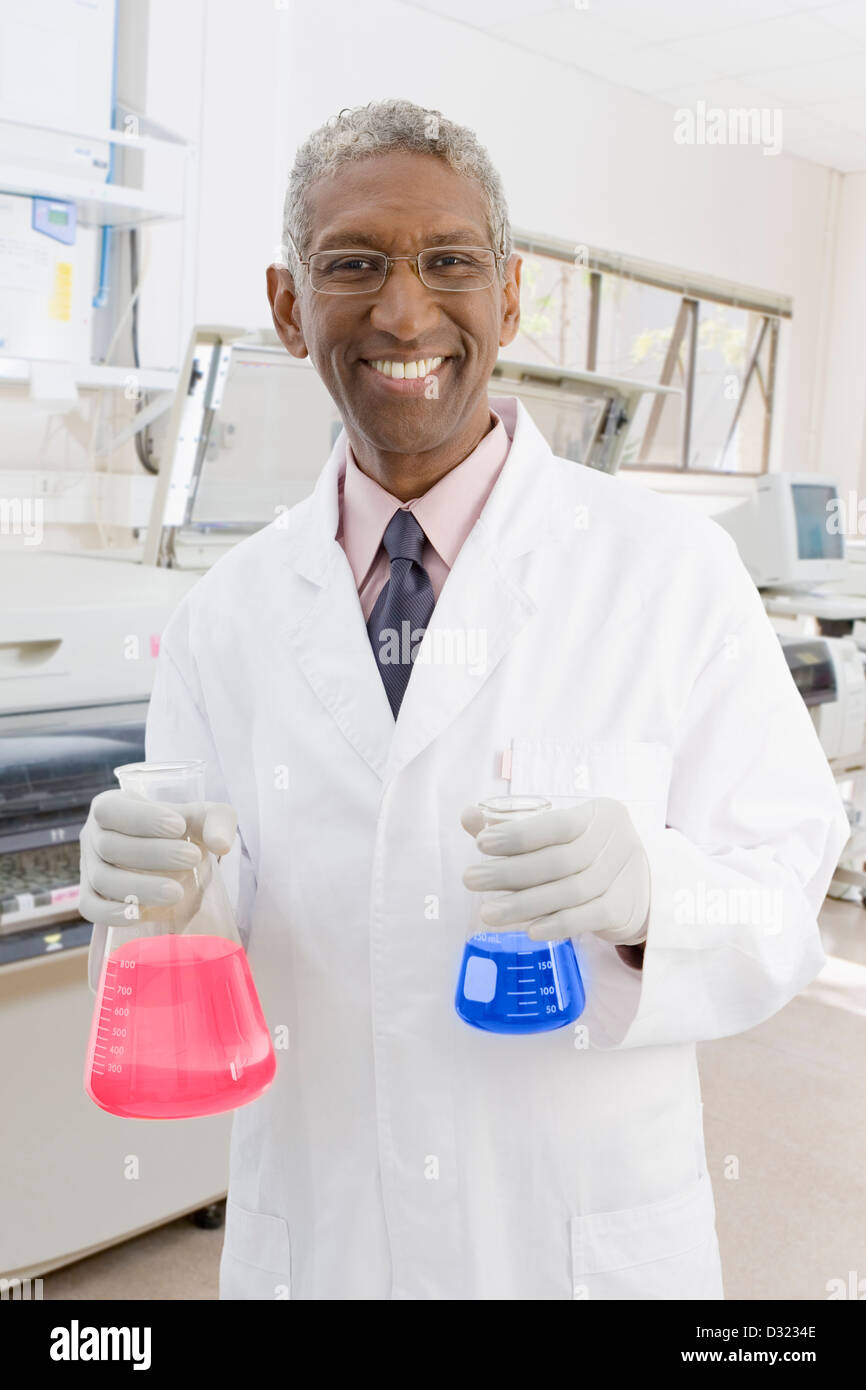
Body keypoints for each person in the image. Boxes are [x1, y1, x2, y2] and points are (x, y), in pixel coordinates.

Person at [79, 99, 850, 1301]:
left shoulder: (665, 571)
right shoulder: (224, 619)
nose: (402, 310)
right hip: (323, 1242)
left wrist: (651, 893)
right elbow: (204, 947)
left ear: (510, 293)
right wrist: (155, 900)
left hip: (575, 1244)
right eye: (352, 265)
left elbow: (786, 889)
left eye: (448, 261)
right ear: (288, 306)